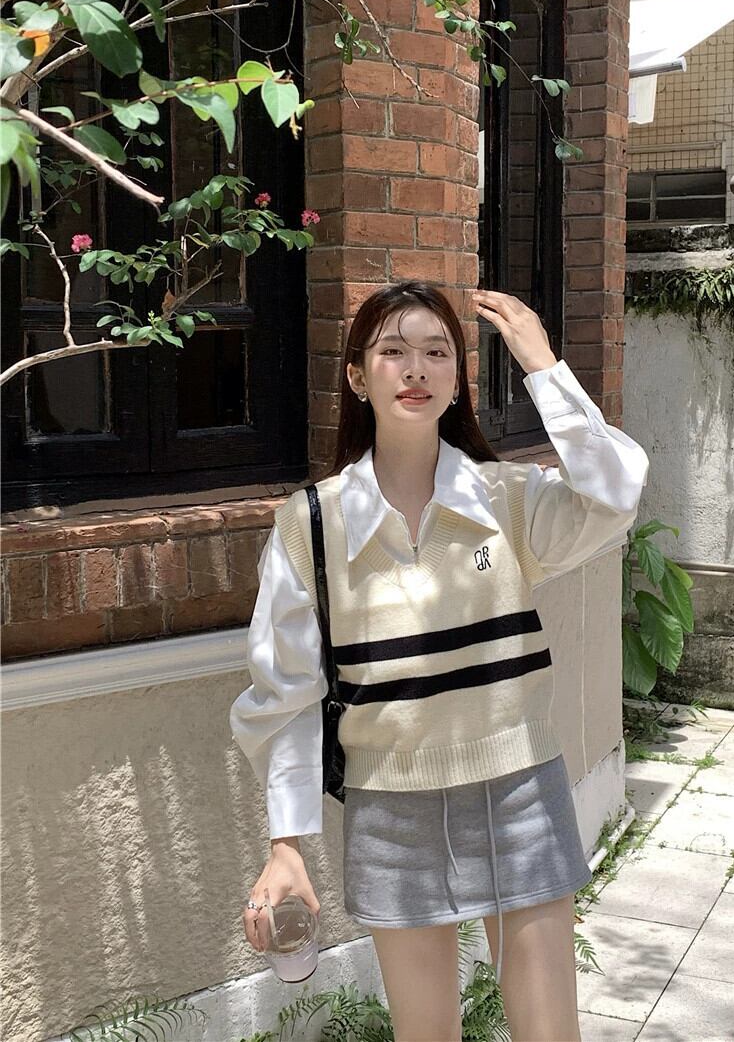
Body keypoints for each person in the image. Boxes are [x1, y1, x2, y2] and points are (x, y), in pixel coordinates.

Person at [230, 280, 650, 1042]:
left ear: (458, 379)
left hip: (520, 788)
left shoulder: (508, 498)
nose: (416, 368)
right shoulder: (312, 525)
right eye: (393, 351)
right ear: (358, 376)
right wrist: (286, 844)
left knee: (551, 1035)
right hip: (392, 811)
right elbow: (284, 693)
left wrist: (544, 367)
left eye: (436, 352)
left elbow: (616, 495)